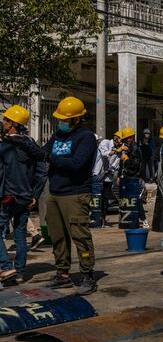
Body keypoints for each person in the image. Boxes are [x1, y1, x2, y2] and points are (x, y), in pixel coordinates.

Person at [42, 97, 97, 294]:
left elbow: (76, 164)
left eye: (64, 120)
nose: (61, 123)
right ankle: (62, 274)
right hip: (55, 193)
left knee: (80, 236)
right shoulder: (57, 135)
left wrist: (52, 158)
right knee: (57, 236)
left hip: (75, 193)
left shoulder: (86, 137)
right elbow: (44, 152)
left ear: (75, 119)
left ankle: (87, 275)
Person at [0, 106, 46, 287]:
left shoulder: (6, 146)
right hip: (26, 197)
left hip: (7, 196)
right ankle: (19, 274)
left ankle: (5, 267)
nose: (3, 123)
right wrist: (34, 195)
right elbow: (42, 172)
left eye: (5, 120)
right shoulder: (32, 145)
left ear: (12, 124)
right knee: (20, 234)